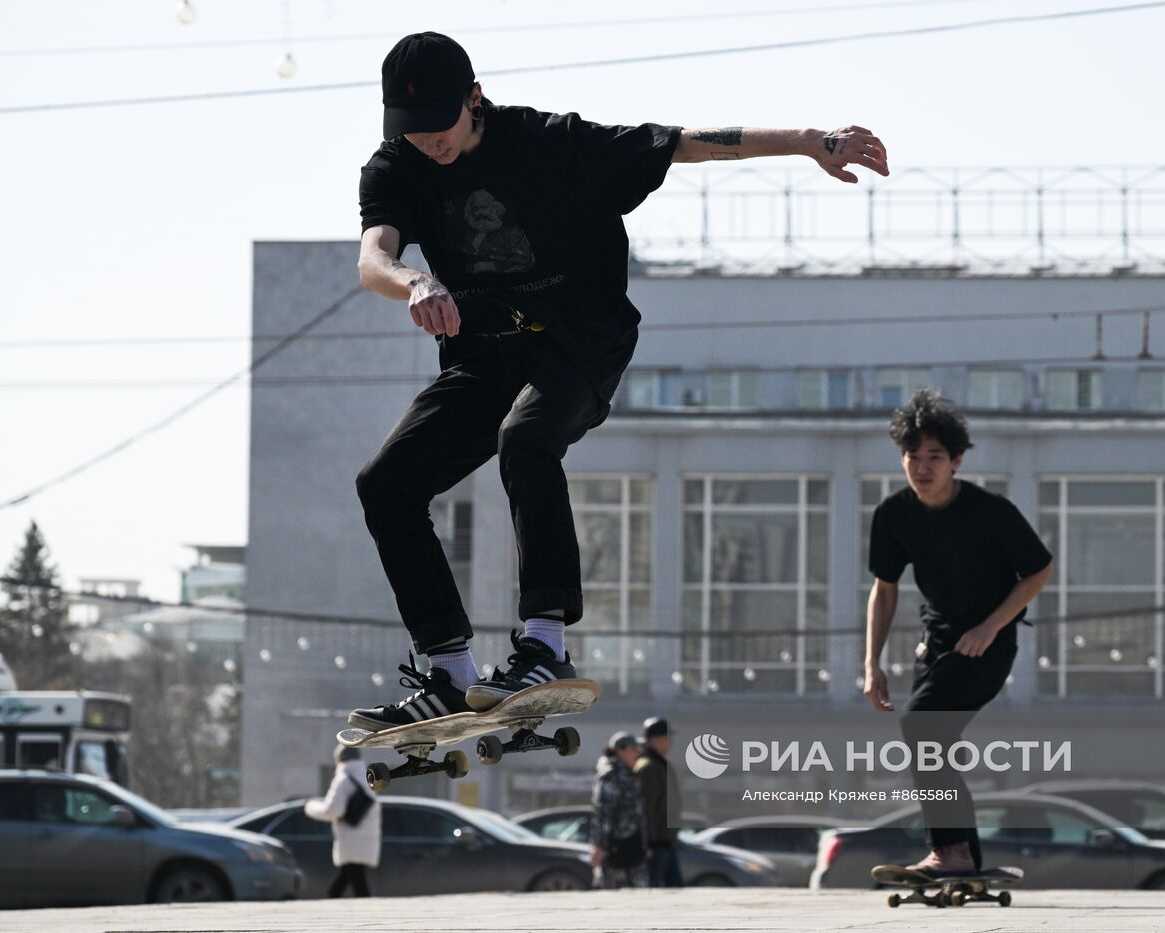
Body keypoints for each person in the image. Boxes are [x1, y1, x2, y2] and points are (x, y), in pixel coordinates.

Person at [348, 31, 890, 730]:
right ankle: (450, 671)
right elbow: (373, 257)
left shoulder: (551, 143)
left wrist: (812, 139)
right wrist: (414, 280)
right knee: (385, 483)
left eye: (440, 126)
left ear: (475, 98)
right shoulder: (397, 167)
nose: (429, 143)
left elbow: (687, 142)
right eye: (413, 132)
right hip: (486, 351)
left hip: (580, 340)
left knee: (526, 439)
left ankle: (545, 646)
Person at [863, 390, 1053, 877]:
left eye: (934, 458)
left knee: (921, 728)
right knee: (932, 740)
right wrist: (871, 663)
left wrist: (992, 625)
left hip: (989, 643)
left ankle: (949, 851)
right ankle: (961, 856)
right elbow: (884, 590)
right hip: (938, 642)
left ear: (957, 461)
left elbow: (1038, 571)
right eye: (913, 457)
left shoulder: (989, 511)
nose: (922, 468)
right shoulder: (894, 515)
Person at [304, 746, 383, 897]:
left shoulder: (343, 779)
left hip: (350, 839)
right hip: (367, 839)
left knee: (353, 883)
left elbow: (332, 811)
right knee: (351, 880)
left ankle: (362, 911)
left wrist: (310, 807)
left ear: (340, 760)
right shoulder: (368, 780)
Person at [589, 730, 649, 890]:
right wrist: (599, 846)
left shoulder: (631, 775)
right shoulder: (610, 776)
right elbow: (603, 812)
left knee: (641, 899)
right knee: (614, 899)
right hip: (615, 851)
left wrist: (644, 845)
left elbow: (638, 813)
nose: (638, 753)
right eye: (634, 749)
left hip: (633, 849)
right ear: (620, 750)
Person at [634, 716, 684, 887]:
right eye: (667, 738)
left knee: (675, 890)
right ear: (658, 739)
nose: (669, 743)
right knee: (653, 893)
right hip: (655, 846)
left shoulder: (661, 765)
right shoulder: (648, 767)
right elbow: (646, 808)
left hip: (666, 843)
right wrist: (646, 844)